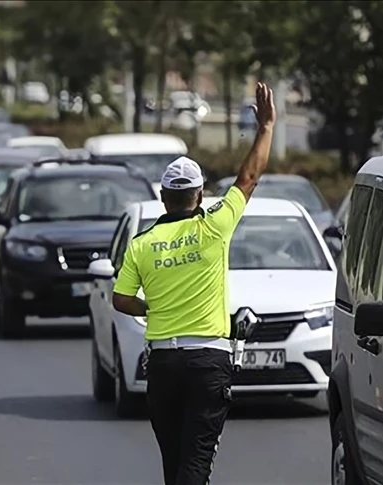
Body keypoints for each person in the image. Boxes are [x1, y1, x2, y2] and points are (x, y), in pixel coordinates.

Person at [111, 82, 276, 485]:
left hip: (164, 365)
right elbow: (249, 176)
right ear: (200, 195)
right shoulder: (215, 226)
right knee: (195, 464)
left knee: (176, 464)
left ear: (164, 197)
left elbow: (120, 299)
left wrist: (152, 308)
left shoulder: (142, 244)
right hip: (207, 363)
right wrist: (266, 127)